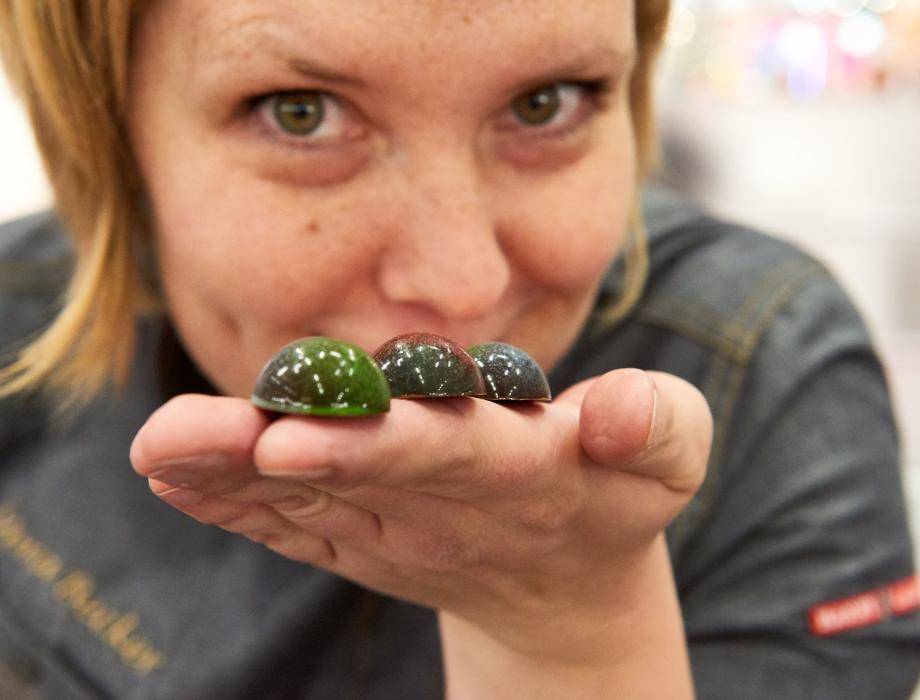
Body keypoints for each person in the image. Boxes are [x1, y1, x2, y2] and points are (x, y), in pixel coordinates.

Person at [0, 1, 917, 697]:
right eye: (300, 111)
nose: (462, 282)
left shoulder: (767, 373)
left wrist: (564, 627)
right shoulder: (16, 318)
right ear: (107, 134)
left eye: (545, 102)